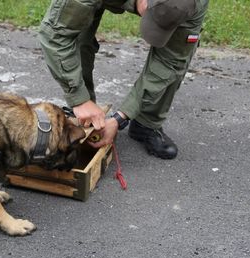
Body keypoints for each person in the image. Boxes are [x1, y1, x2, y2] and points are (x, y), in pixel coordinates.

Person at [39, 0, 209, 159]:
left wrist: (120, 118)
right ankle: (84, 115)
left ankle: (147, 123)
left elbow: (171, 61)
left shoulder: (194, 4)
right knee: (76, 35)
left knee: (176, 59)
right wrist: (79, 98)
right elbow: (56, 34)